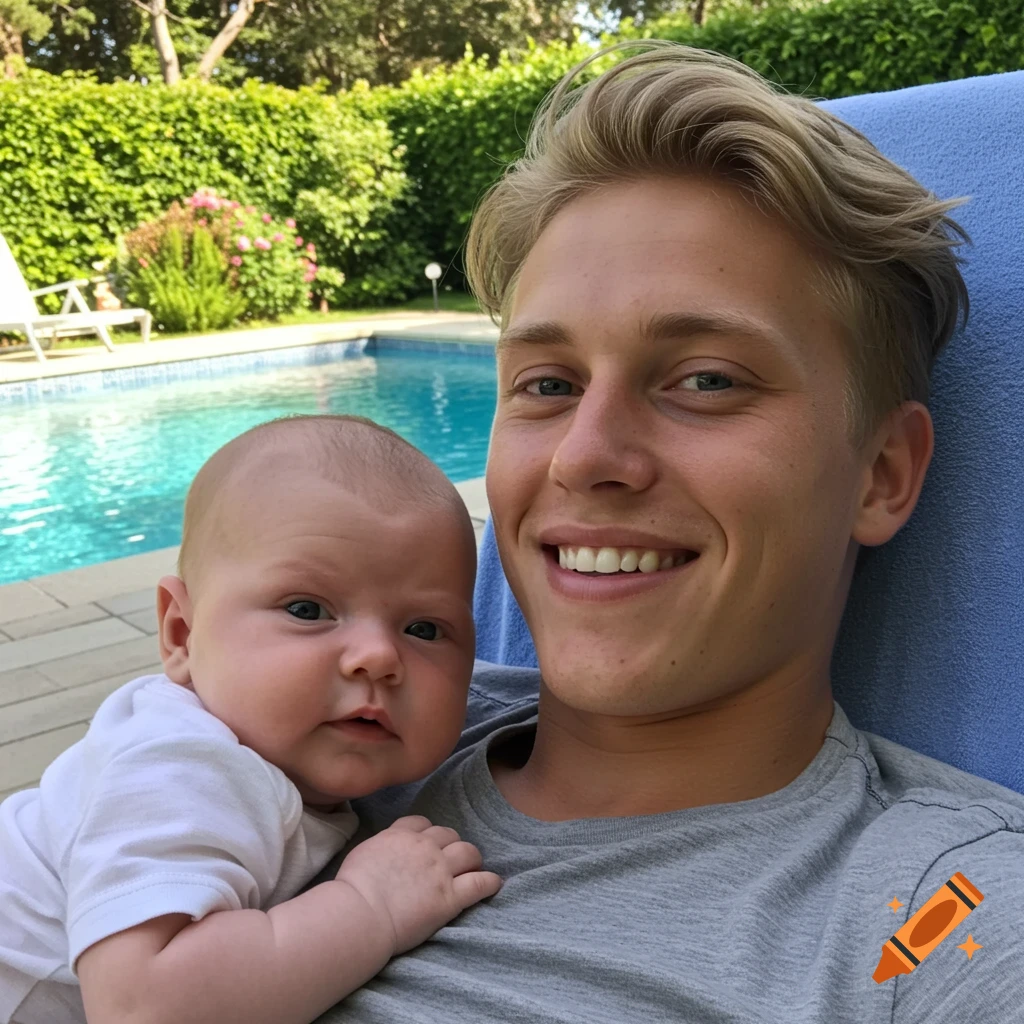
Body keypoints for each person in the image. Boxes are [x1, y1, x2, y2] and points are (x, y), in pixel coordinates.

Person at [310, 41, 1024, 1023]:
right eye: (548, 385)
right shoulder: (332, 729)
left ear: (881, 472)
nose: (582, 454)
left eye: (706, 380)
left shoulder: (943, 913)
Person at [0, 415, 501, 1024]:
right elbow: (140, 1005)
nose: (378, 656)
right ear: (181, 633)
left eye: (424, 629)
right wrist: (369, 907)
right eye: (307, 609)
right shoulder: (183, 765)